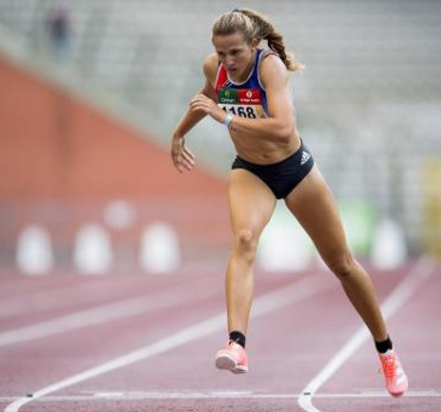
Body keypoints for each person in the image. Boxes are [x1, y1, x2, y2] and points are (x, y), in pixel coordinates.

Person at [170, 9, 408, 397]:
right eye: (221, 53)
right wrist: (179, 134)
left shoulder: (271, 68)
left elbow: (283, 129)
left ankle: (387, 351)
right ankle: (236, 344)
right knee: (244, 240)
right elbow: (205, 100)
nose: (227, 62)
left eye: (235, 53)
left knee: (343, 264)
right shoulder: (213, 66)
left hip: (295, 170)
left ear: (253, 45)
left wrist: (226, 119)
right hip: (251, 170)